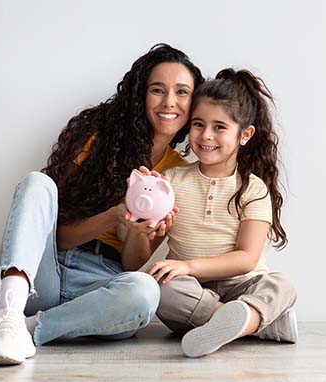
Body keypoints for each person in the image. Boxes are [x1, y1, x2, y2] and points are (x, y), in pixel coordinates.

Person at [0, 43, 204, 365]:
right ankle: (9, 309)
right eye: (157, 90)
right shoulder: (99, 137)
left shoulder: (179, 176)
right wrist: (114, 215)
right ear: (139, 95)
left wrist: (135, 230)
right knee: (38, 183)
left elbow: (132, 265)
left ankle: (15, 327)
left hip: (98, 286)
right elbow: (59, 237)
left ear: (193, 103)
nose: (169, 102)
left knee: (145, 290)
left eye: (182, 92)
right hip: (44, 272)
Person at [123, 69, 297, 358]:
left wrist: (189, 265)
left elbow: (246, 258)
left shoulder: (253, 188)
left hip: (242, 286)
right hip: (190, 292)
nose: (206, 136)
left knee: (282, 284)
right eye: (198, 124)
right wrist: (137, 228)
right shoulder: (170, 181)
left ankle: (234, 320)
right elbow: (133, 262)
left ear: (245, 134)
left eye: (219, 127)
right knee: (156, 287)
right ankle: (254, 324)